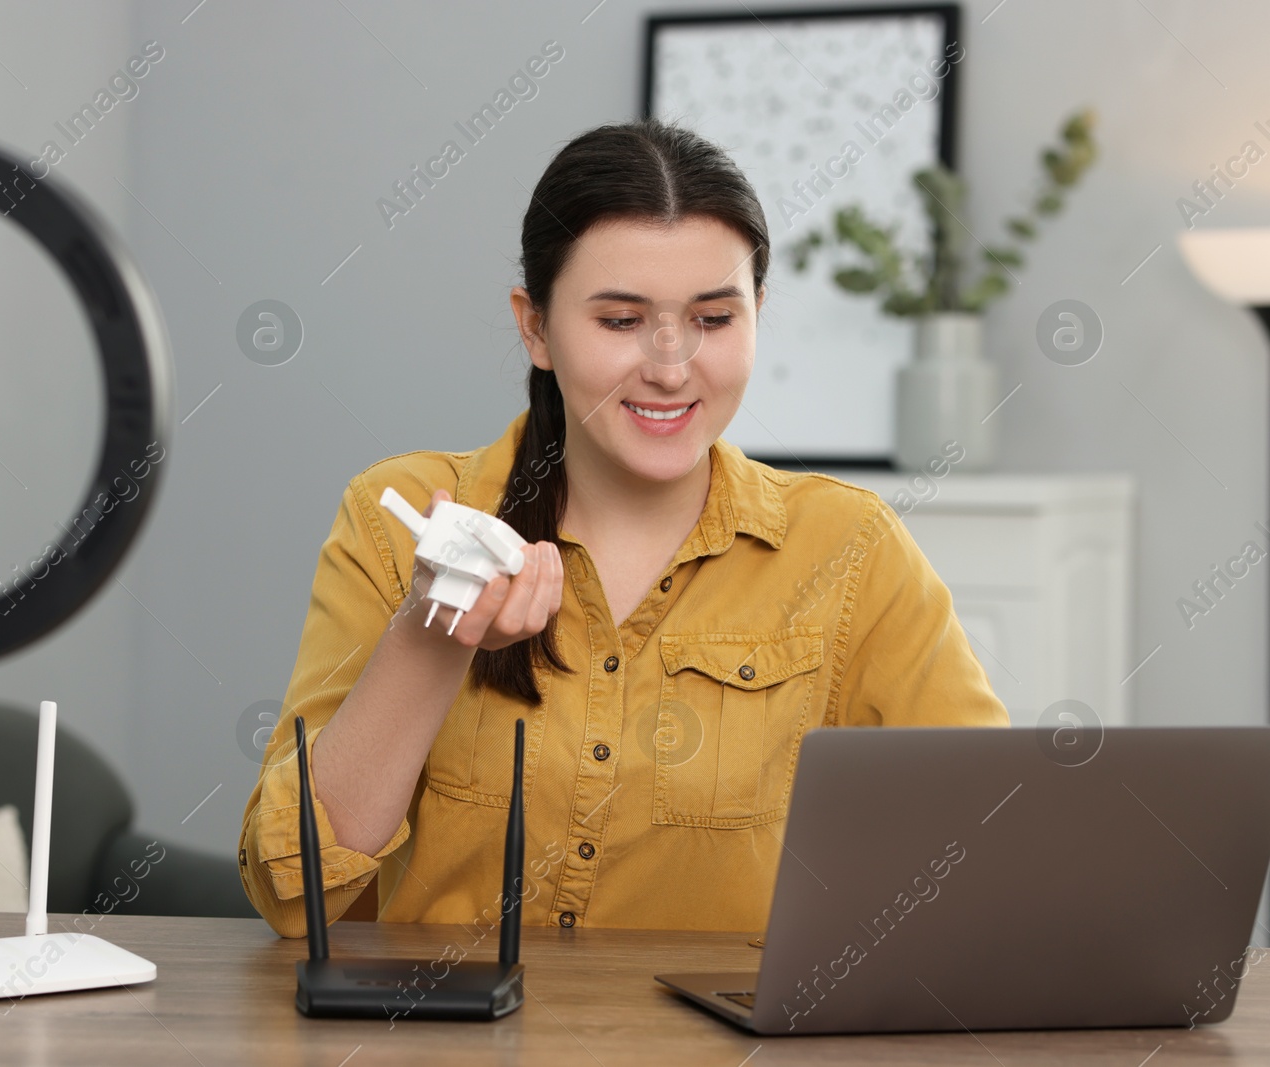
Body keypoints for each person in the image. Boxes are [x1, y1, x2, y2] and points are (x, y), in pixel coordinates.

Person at [239, 119, 1008, 937]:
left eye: (714, 318)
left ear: (757, 314)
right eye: (619, 321)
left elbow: (996, 844)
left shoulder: (848, 548)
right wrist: (430, 638)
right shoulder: (397, 513)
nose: (672, 367)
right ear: (534, 326)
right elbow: (294, 895)